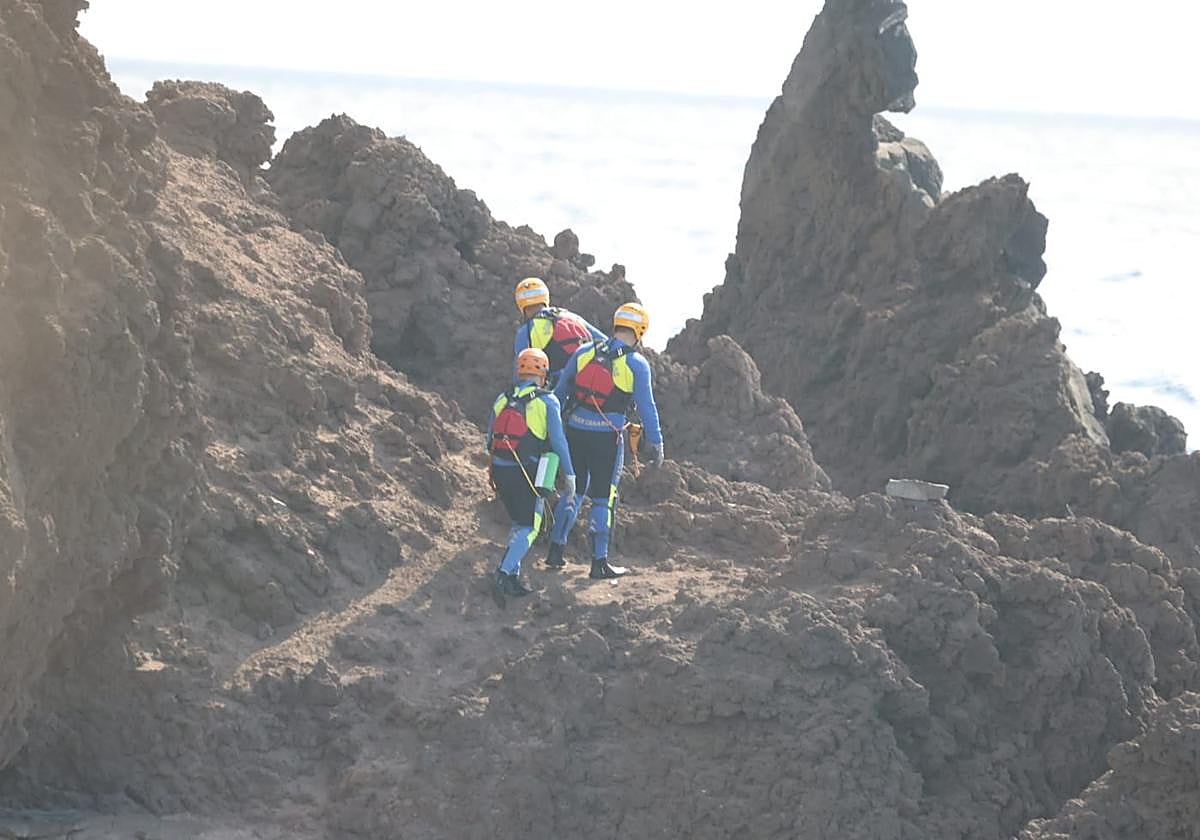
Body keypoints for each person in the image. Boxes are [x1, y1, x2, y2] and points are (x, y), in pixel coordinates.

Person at [546, 302, 664, 579]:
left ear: (615, 324)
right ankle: (599, 564)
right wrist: (656, 441)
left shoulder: (584, 351)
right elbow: (646, 407)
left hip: (574, 431)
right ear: (640, 331)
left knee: (572, 491)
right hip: (607, 439)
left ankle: (555, 551)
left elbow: (560, 394)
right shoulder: (636, 363)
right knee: (603, 499)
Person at [487, 347, 578, 597]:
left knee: (518, 523)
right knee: (531, 526)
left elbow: (488, 440)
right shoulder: (547, 401)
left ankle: (513, 577)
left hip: (500, 471)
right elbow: (559, 442)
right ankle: (504, 573)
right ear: (543, 373)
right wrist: (569, 475)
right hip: (527, 472)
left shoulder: (502, 399)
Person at [512, 277, 608, 388]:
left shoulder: (526, 331)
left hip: (559, 389)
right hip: (593, 383)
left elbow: (521, 373)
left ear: (520, 304)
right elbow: (607, 342)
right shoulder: (572, 317)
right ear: (545, 297)